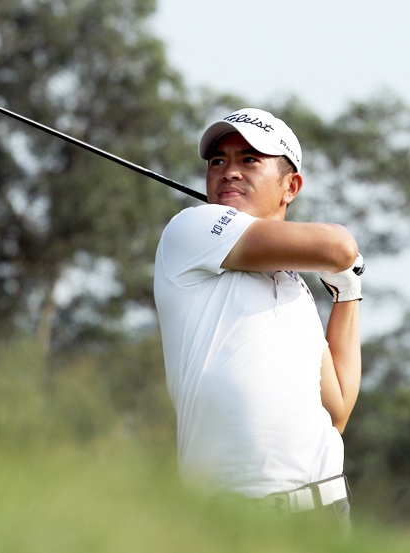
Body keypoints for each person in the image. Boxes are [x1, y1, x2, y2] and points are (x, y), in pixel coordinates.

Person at [153, 108, 364, 534]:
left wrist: (348, 293)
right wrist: (345, 263)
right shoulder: (192, 228)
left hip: (322, 512)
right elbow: (340, 246)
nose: (229, 172)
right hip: (225, 516)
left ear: (291, 186)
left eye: (249, 160)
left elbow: (337, 408)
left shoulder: (296, 290)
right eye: (218, 162)